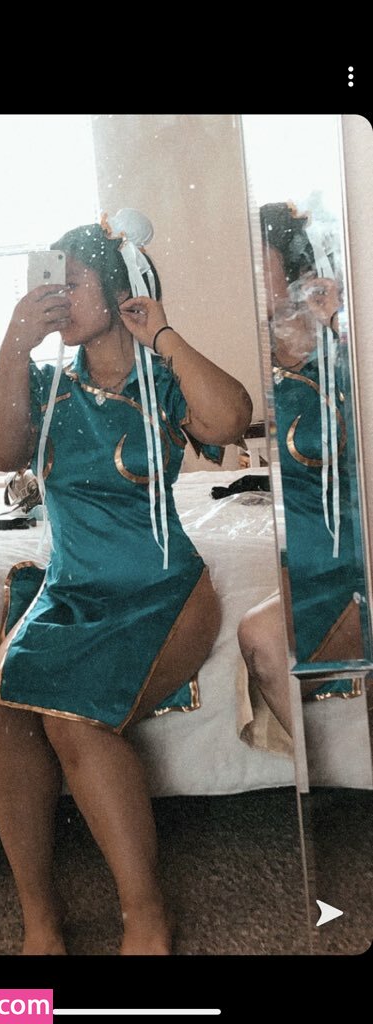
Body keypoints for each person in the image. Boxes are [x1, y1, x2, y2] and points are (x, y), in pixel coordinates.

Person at [0, 209, 252, 955]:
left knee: (76, 719)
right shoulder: (44, 387)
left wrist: (160, 333)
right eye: (51, 285)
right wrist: (13, 344)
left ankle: (146, 916)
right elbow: (2, 453)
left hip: (162, 591)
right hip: (71, 590)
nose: (59, 298)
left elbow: (230, 420)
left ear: (116, 288)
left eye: (74, 284)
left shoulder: (162, 382)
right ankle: (40, 919)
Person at [238, 202, 367, 743]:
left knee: (267, 638)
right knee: (260, 637)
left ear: (302, 274)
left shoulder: (348, 347)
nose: (249, 276)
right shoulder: (272, 361)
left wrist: (339, 324)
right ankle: (324, 777)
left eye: (260, 262)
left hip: (358, 555)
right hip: (313, 561)